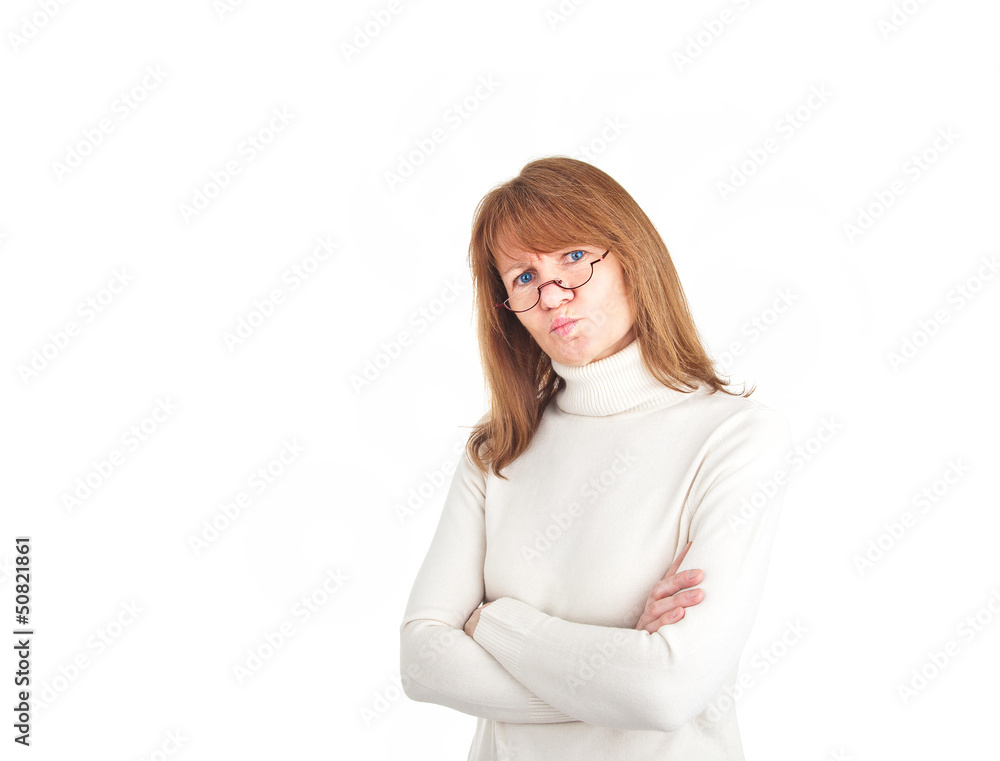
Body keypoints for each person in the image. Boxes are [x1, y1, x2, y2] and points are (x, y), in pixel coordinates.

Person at [398, 156, 792, 760]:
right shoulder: (498, 450)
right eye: (523, 277)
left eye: (574, 258)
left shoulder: (734, 439)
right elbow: (422, 661)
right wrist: (614, 671)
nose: (553, 293)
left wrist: (493, 624)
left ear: (632, 257)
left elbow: (667, 691)